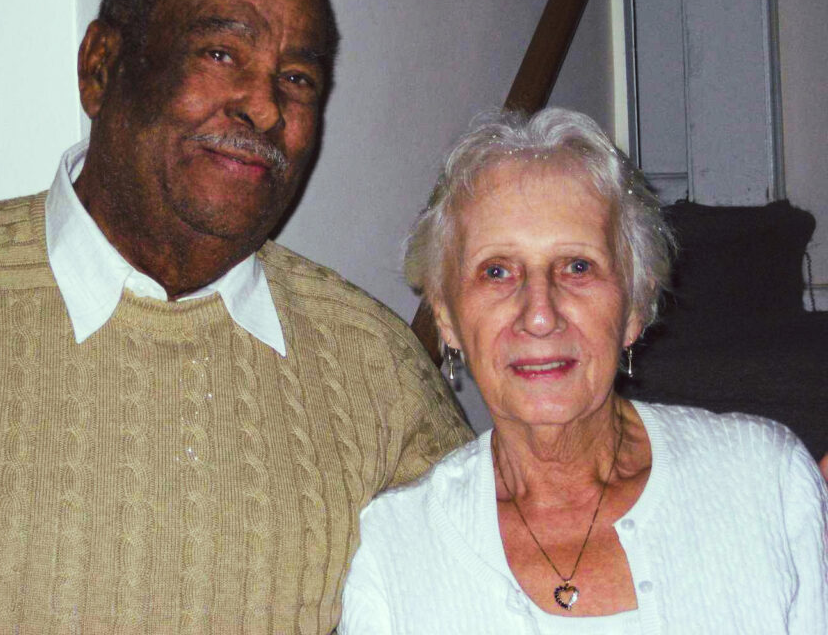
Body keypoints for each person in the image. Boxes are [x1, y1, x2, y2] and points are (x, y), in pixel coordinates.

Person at [0, 0, 471, 632]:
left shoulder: (377, 371)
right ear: (101, 67)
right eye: (220, 53)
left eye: (299, 78)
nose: (265, 106)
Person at [340, 108, 828, 633]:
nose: (540, 313)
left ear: (635, 307)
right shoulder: (397, 548)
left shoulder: (765, 481)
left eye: (577, 266)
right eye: (497, 271)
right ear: (447, 319)